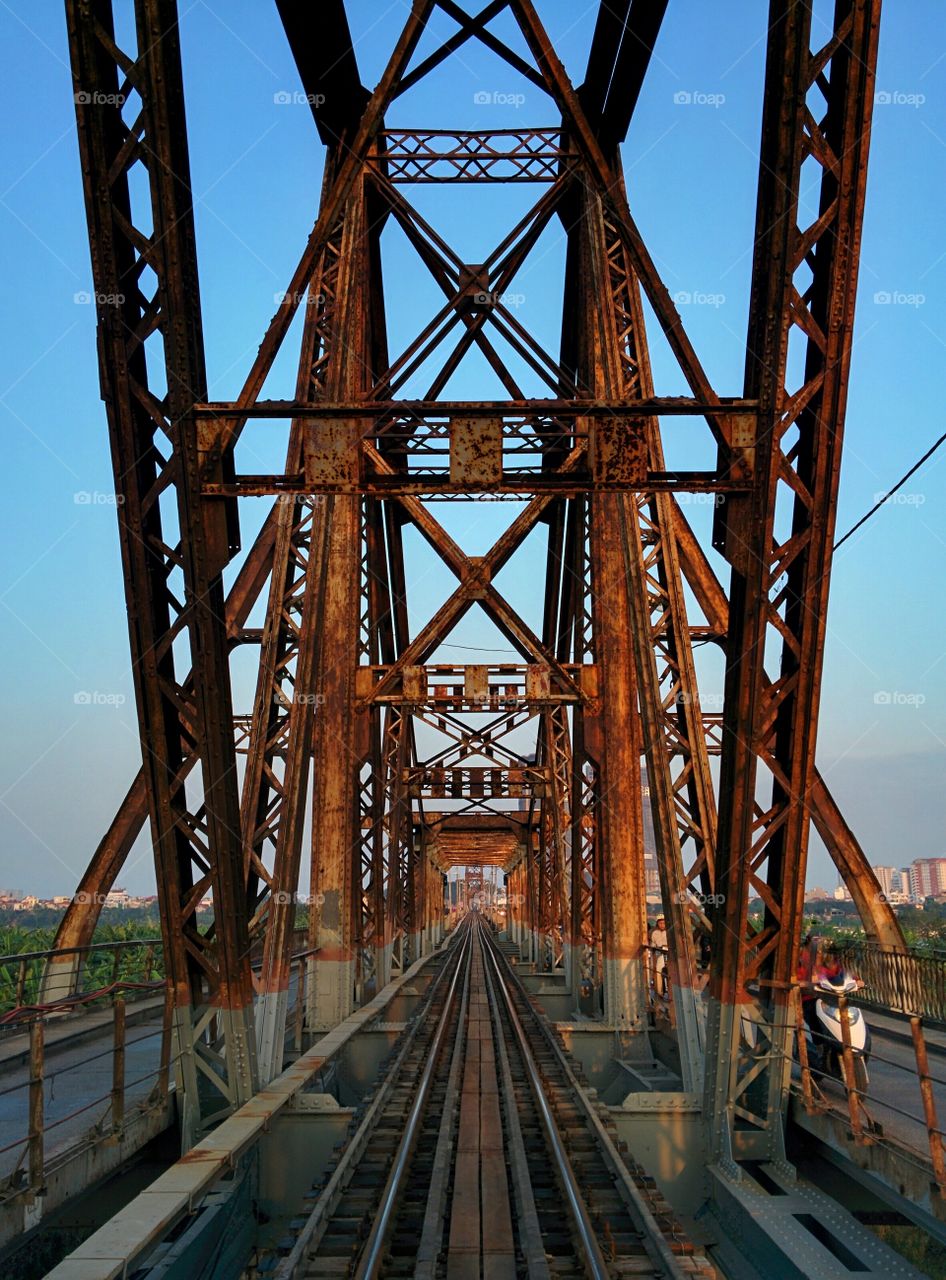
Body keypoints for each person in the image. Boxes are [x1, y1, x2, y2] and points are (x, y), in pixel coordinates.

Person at [650, 916, 668, 998]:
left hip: (668, 953)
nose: (662, 925)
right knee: (658, 972)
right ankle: (659, 991)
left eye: (663, 923)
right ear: (657, 923)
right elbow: (652, 945)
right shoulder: (654, 933)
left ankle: (669, 991)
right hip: (659, 954)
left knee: (669, 972)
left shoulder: (668, 932)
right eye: (660, 923)